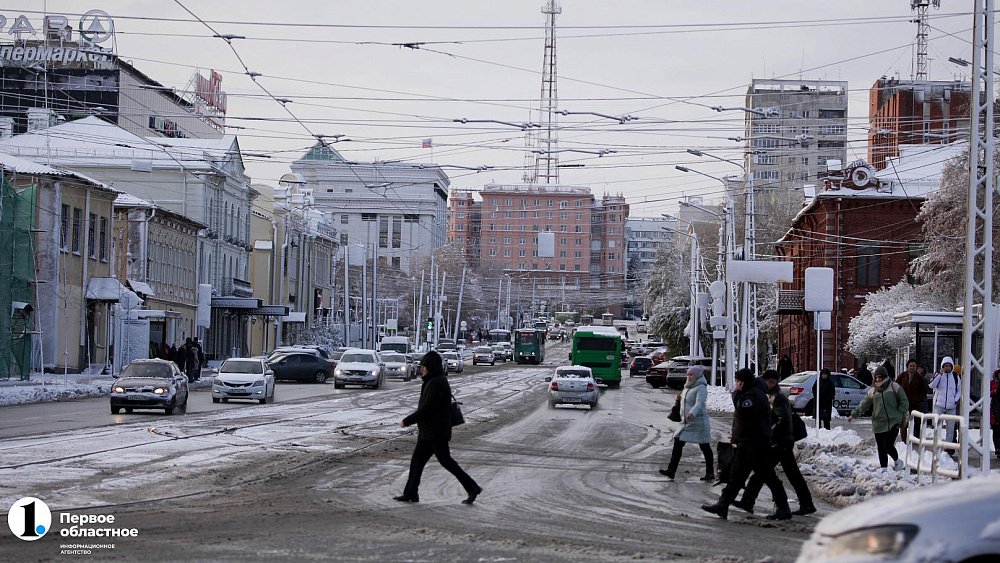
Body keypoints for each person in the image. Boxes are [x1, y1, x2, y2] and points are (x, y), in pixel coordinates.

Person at [701, 368, 792, 521]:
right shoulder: (752, 393)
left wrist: (736, 394)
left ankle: (783, 508)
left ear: (743, 382)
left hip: (756, 443)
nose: (736, 384)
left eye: (738, 381)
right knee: (736, 476)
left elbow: (744, 411)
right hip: (747, 442)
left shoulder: (754, 395)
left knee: (767, 476)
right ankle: (723, 505)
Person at [395, 350, 482, 504]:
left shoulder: (436, 383)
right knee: (417, 462)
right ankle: (410, 493)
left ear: (431, 367)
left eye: (424, 366)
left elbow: (427, 408)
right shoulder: (433, 381)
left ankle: (473, 487)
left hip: (436, 432)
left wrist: (407, 421)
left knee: (446, 462)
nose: (422, 369)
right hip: (429, 432)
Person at [734, 370, 815, 516]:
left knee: (763, 473)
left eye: (767, 381)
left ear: (773, 382)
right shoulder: (769, 395)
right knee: (789, 473)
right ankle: (806, 503)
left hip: (780, 441)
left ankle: (752, 502)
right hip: (782, 440)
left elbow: (783, 420)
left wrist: (769, 434)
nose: (764, 384)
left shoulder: (777, 398)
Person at [659, 366, 714, 482]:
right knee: (678, 442)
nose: (689, 377)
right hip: (686, 422)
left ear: (697, 376)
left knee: (704, 446)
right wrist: (679, 399)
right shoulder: (688, 386)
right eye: (688, 374)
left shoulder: (701, 387)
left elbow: (699, 403)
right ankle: (671, 471)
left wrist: (693, 413)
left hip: (699, 422)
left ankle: (710, 472)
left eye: (691, 375)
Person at [849, 366, 909, 470]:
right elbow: (864, 404)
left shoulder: (894, 387)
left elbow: (904, 401)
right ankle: (884, 468)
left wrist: (899, 412)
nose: (878, 379)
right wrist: (854, 414)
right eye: (876, 377)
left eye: (880, 377)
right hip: (878, 422)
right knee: (881, 447)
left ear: (885, 377)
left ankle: (897, 461)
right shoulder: (872, 391)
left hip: (893, 421)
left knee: (888, 445)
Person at [929, 356, 961, 447]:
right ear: (942, 366)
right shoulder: (938, 375)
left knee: (950, 429)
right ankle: (937, 445)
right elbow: (931, 385)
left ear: (952, 367)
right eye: (945, 366)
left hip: (951, 407)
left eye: (949, 366)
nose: (947, 368)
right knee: (937, 427)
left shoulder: (955, 377)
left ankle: (948, 446)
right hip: (939, 405)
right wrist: (939, 375)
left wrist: (955, 400)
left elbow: (959, 390)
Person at [897, 359, 930, 440]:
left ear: (916, 367)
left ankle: (915, 438)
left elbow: (924, 390)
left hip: (916, 404)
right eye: (910, 366)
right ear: (907, 367)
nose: (912, 367)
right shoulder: (902, 376)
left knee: (917, 422)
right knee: (904, 422)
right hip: (904, 403)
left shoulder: (920, 378)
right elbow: (896, 386)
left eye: (914, 366)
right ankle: (904, 440)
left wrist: (918, 398)